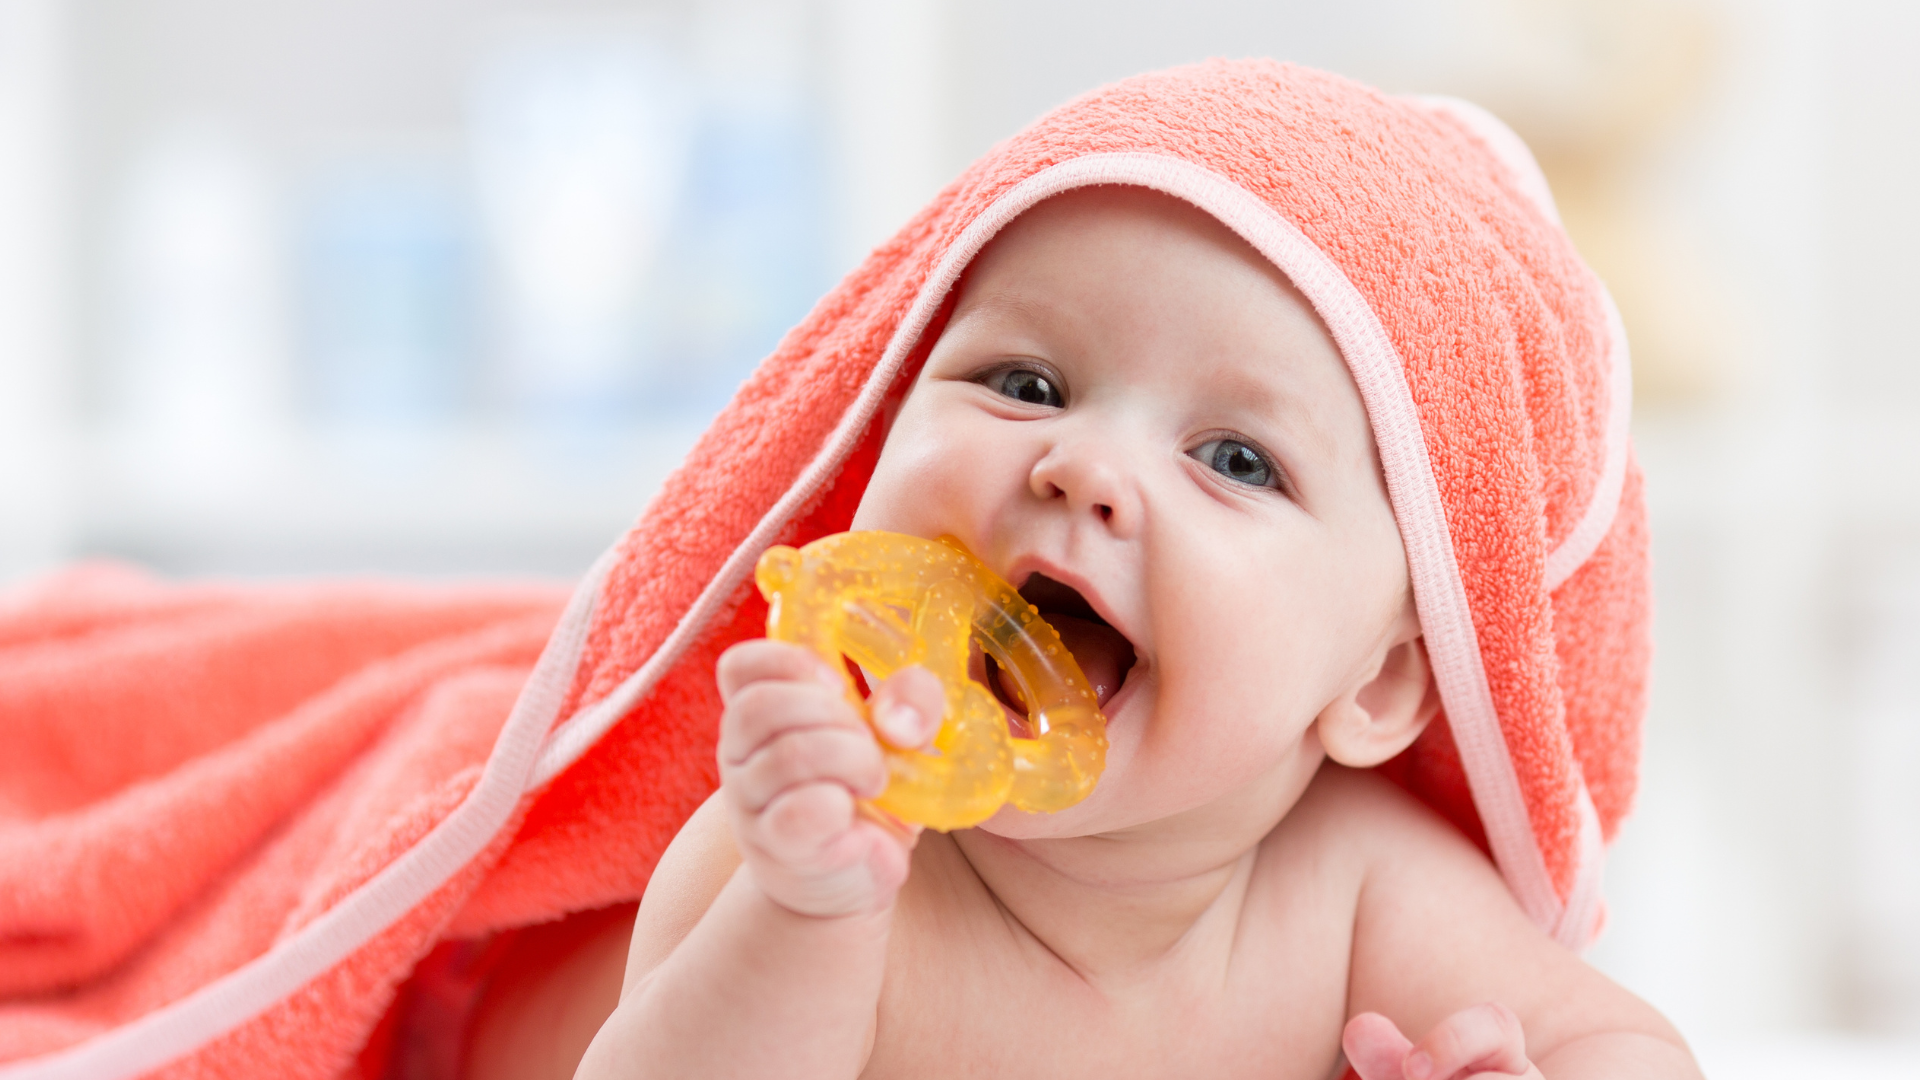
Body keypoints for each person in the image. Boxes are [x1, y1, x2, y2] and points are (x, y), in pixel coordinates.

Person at [473, 63, 1697, 1080]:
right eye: (1025, 384)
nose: (1086, 464)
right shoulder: (805, 848)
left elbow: (1626, 1044)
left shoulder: (1358, 892)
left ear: (1375, 686)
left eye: (1235, 459)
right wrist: (801, 921)